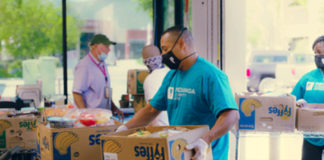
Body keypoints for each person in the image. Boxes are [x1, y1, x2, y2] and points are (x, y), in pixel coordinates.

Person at [117, 26, 239, 160]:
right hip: (181, 153)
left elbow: (231, 115)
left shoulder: (211, 75)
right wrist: (124, 128)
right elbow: (151, 109)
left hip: (207, 155)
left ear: (181, 44)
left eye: (165, 49)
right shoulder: (171, 76)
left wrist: (205, 140)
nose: (163, 55)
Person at [73, 34, 124, 120]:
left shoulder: (102, 64)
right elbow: (77, 93)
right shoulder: (84, 65)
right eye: (106, 46)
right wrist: (85, 116)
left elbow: (104, 91)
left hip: (103, 117)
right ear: (95, 46)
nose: (109, 50)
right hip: (91, 119)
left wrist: (114, 107)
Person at [292, 35, 324, 160]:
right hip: (311, 137)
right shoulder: (307, 78)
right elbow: (291, 101)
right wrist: (298, 103)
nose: (321, 56)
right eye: (318, 53)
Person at [142, 44, 169, 126]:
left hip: (161, 130)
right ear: (161, 55)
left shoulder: (151, 79)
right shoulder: (170, 72)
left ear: (144, 61)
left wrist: (153, 135)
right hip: (175, 127)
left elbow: (153, 110)